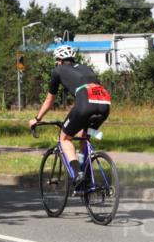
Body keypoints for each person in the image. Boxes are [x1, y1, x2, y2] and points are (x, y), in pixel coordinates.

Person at [28, 45, 111, 187]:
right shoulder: (86, 68)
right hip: (105, 104)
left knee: (64, 138)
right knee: (84, 136)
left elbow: (49, 100)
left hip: (85, 104)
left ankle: (78, 174)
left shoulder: (58, 70)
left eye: (56, 61)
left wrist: (37, 119)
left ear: (60, 61)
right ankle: (86, 176)